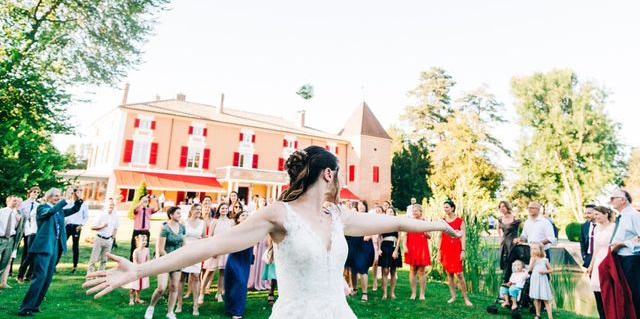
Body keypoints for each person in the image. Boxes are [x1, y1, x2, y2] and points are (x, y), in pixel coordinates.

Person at [84, 146, 462, 319]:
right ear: (328, 174)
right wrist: (140, 270)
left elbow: (396, 221)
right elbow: (210, 245)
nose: (342, 179)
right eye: (340, 173)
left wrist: (438, 225)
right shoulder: (278, 215)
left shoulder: (339, 217)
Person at [18, 188, 83, 317]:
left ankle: (35, 305)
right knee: (39, 277)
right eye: (56, 196)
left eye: (59, 196)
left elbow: (74, 210)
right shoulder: (42, 208)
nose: (58, 198)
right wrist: (65, 198)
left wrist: (78, 199)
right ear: (48, 197)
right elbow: (51, 211)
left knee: (47, 278)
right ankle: (25, 308)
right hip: (43, 247)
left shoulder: (58, 210)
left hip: (55, 246)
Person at [143, 206, 185, 319]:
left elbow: (184, 244)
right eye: (178, 213)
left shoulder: (182, 227)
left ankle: (170, 312)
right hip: (165, 260)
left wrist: (183, 257)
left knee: (174, 287)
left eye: (180, 213)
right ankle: (151, 307)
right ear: (171, 215)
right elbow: (161, 249)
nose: (180, 215)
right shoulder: (165, 228)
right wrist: (171, 260)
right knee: (161, 288)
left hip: (178, 261)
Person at [609, 188, 640, 315]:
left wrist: (623, 244)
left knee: (634, 295)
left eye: (612, 198)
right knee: (623, 296)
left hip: (631, 261)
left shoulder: (634, 215)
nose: (610, 201)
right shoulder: (620, 217)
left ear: (623, 200)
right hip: (619, 260)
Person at [440, 199, 473, 307]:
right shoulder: (442, 221)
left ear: (452, 208)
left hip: (456, 249)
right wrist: (439, 251)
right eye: (444, 207)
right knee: (449, 273)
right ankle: (453, 296)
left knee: (459, 274)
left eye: (447, 207)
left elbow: (463, 237)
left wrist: (463, 251)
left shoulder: (460, 221)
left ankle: (466, 298)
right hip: (445, 249)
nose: (445, 209)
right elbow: (441, 236)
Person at [586, 205, 616, 319]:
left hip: (610, 259)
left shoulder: (614, 227)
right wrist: (591, 265)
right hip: (598, 259)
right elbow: (596, 249)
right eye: (594, 214)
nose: (595, 216)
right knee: (597, 289)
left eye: (597, 214)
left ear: (606, 214)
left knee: (608, 290)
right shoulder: (597, 227)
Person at [200, 202, 233, 303]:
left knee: (222, 273)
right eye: (222, 208)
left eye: (226, 208)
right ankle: (201, 294)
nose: (224, 210)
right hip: (215, 249)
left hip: (225, 249)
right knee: (209, 271)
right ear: (219, 210)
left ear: (228, 210)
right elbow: (210, 237)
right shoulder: (215, 221)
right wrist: (212, 250)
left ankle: (219, 294)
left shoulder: (231, 222)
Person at [176, 204, 205, 316]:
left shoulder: (202, 223)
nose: (198, 211)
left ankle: (195, 306)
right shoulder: (184, 222)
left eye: (200, 210)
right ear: (192, 210)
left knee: (196, 276)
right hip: (185, 250)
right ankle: (179, 304)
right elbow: (180, 236)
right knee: (181, 277)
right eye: (197, 209)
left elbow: (204, 237)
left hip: (197, 251)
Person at [224, 209, 253, 319]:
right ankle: (235, 310)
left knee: (242, 284)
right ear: (238, 219)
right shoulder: (234, 230)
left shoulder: (253, 230)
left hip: (245, 258)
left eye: (247, 215)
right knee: (235, 282)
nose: (246, 216)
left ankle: (236, 308)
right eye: (243, 215)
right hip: (235, 258)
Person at [349, 201, 376, 302]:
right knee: (353, 269)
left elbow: (374, 228)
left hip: (364, 244)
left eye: (362, 205)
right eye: (359, 205)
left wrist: (369, 235)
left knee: (363, 269)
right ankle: (355, 289)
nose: (361, 206)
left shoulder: (369, 217)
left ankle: (365, 293)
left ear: (366, 206)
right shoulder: (353, 217)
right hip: (353, 243)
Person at [403, 203, 431, 301]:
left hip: (422, 247)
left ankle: (422, 294)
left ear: (420, 212)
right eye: (413, 211)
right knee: (412, 270)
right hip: (412, 247)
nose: (414, 212)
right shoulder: (409, 222)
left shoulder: (425, 221)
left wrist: (425, 231)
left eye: (416, 210)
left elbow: (429, 236)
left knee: (422, 271)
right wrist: (405, 246)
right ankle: (413, 293)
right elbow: (405, 235)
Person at [88, 198, 119, 273]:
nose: (111, 206)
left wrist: (112, 238)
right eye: (110, 204)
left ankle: (99, 277)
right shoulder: (101, 215)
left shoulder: (115, 216)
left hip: (109, 240)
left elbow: (115, 228)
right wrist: (102, 226)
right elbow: (92, 227)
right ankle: (89, 277)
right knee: (93, 260)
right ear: (106, 205)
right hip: (99, 239)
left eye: (113, 205)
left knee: (104, 261)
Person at [17, 187, 41, 283]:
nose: (35, 194)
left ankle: (29, 274)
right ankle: (18, 274)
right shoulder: (23, 204)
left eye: (37, 193)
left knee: (31, 253)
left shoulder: (38, 205)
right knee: (26, 253)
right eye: (34, 192)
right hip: (23, 229)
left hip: (33, 231)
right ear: (30, 192)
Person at [378, 207, 402, 300]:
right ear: (385, 213)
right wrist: (379, 249)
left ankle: (392, 292)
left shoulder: (397, 224)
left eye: (391, 212)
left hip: (394, 246)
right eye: (388, 212)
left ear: (394, 213)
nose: (390, 213)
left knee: (393, 270)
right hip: (384, 247)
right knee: (385, 270)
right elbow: (379, 237)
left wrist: (396, 250)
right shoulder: (382, 224)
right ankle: (384, 293)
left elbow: (399, 237)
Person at [63, 190, 89, 273]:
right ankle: (54, 265)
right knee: (61, 245)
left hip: (76, 227)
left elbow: (86, 217)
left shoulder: (83, 204)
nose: (76, 194)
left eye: (79, 193)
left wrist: (81, 225)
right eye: (75, 193)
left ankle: (75, 266)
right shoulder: (68, 203)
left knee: (75, 247)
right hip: (67, 226)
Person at [123, 233, 150, 305]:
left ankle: (137, 298)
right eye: (143, 240)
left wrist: (145, 266)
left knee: (140, 285)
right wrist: (138, 268)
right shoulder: (136, 251)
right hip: (136, 269)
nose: (145, 242)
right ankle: (131, 299)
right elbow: (135, 261)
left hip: (143, 269)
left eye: (146, 240)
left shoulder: (147, 250)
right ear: (138, 241)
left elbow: (148, 260)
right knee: (133, 285)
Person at [528, 242, 553, 319]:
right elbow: (529, 269)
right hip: (535, 279)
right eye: (532, 249)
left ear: (540, 250)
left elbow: (551, 270)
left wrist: (544, 272)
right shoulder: (532, 259)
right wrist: (532, 262)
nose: (533, 251)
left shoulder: (545, 260)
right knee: (537, 298)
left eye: (535, 249)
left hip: (542, 280)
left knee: (545, 299)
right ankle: (538, 315)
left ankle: (550, 317)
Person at [0, 195, 21, 286]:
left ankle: (2, 282)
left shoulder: (18, 214)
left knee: (5, 261)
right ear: (7, 201)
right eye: (13, 200)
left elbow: (18, 228)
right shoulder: (1, 211)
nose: (15, 202)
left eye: (16, 201)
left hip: (11, 239)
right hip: (1, 238)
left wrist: (18, 220)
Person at [131, 195, 158, 261]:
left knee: (145, 249)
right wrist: (141, 203)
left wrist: (157, 201)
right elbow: (134, 209)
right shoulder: (137, 209)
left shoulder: (149, 210)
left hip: (145, 232)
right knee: (134, 248)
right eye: (143, 200)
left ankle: (144, 263)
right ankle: (133, 262)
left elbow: (158, 209)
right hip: (137, 231)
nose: (145, 202)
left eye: (146, 201)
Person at [496, 200, 521, 270]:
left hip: (513, 243)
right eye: (500, 207)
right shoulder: (500, 219)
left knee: (513, 261)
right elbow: (498, 227)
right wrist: (500, 237)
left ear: (507, 207)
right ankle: (506, 280)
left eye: (503, 206)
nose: (502, 208)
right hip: (504, 243)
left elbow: (525, 228)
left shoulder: (515, 218)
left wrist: (520, 238)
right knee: (504, 262)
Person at [579, 203, 596, 269]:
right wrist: (584, 256)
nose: (586, 215)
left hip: (600, 256)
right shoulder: (584, 226)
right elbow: (582, 241)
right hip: (588, 256)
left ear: (595, 213)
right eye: (585, 213)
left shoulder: (602, 225)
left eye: (589, 213)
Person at [262, 235, 278, 305]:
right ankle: (271, 292)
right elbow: (270, 238)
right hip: (275, 251)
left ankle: (282, 295)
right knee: (274, 276)